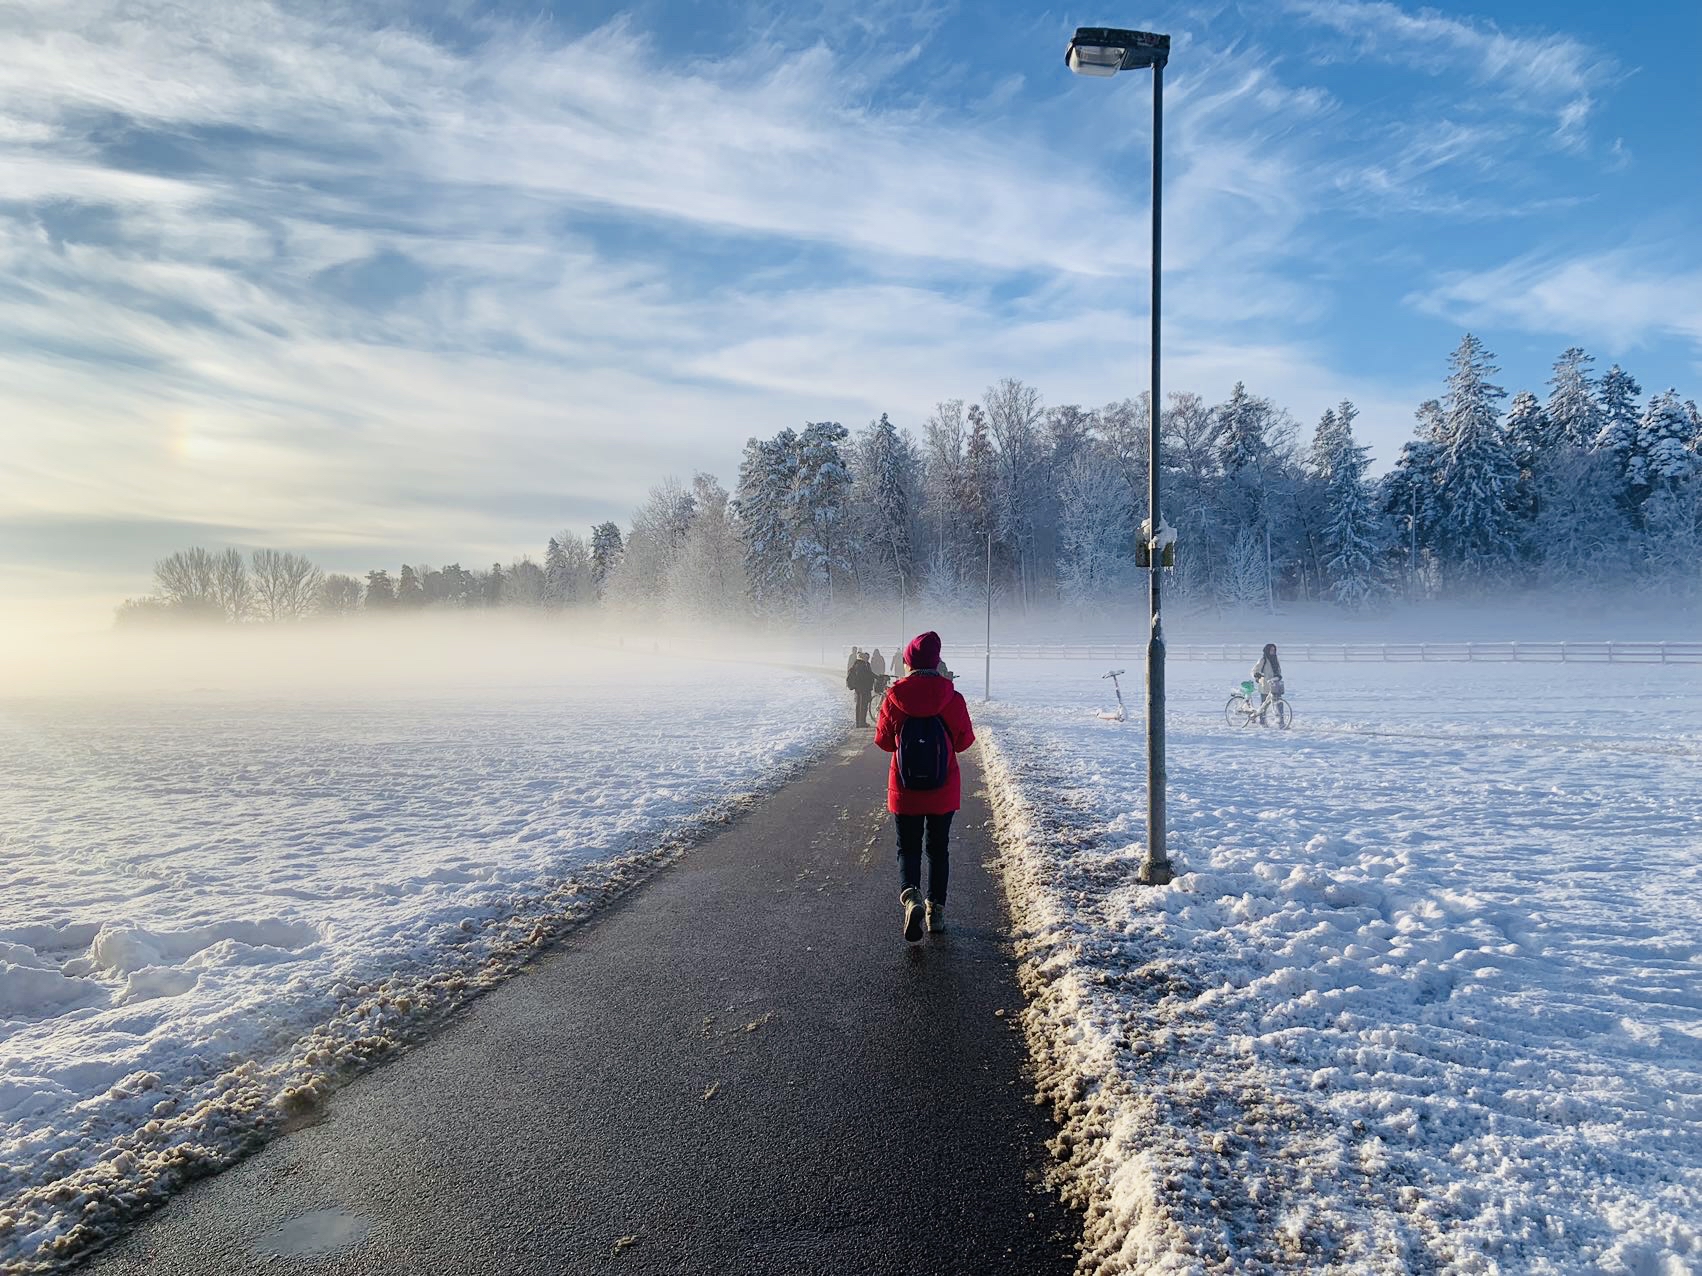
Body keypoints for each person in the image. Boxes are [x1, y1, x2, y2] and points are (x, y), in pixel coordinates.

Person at [874, 631, 975, 942]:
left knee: (908, 848)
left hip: (904, 790)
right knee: (938, 850)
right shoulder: (952, 698)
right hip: (943, 790)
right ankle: (936, 913)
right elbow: (965, 741)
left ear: (909, 663)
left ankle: (911, 897)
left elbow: (883, 741)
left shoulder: (893, 697)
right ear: (937, 662)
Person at [1252, 642, 1283, 724]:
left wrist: (1279, 676)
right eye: (1271, 650)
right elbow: (1255, 670)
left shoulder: (1276, 660)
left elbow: (1279, 670)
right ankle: (1262, 721)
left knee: (1279, 703)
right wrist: (1256, 675)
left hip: (1274, 685)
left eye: (1274, 650)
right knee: (1264, 705)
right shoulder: (1263, 660)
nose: (1272, 651)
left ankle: (1281, 721)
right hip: (1265, 685)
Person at [847, 649, 876, 728]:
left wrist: (876, 677)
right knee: (861, 706)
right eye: (866, 657)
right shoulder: (860, 665)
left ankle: (861, 722)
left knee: (862, 706)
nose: (867, 659)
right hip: (862, 689)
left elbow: (869, 674)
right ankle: (860, 723)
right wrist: (874, 677)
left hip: (863, 689)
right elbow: (865, 676)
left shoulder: (862, 664)